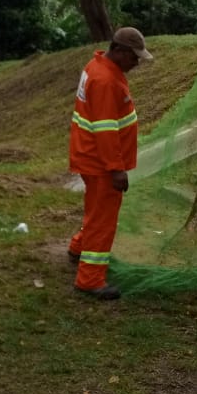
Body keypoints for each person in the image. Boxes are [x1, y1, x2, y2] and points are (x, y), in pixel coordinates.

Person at [67, 27, 154, 300]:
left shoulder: (97, 65)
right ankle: (90, 279)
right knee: (103, 220)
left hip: (89, 156)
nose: (137, 62)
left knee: (96, 212)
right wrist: (116, 169)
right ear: (118, 51)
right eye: (134, 56)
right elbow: (106, 130)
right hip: (101, 163)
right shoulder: (105, 80)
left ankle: (78, 248)